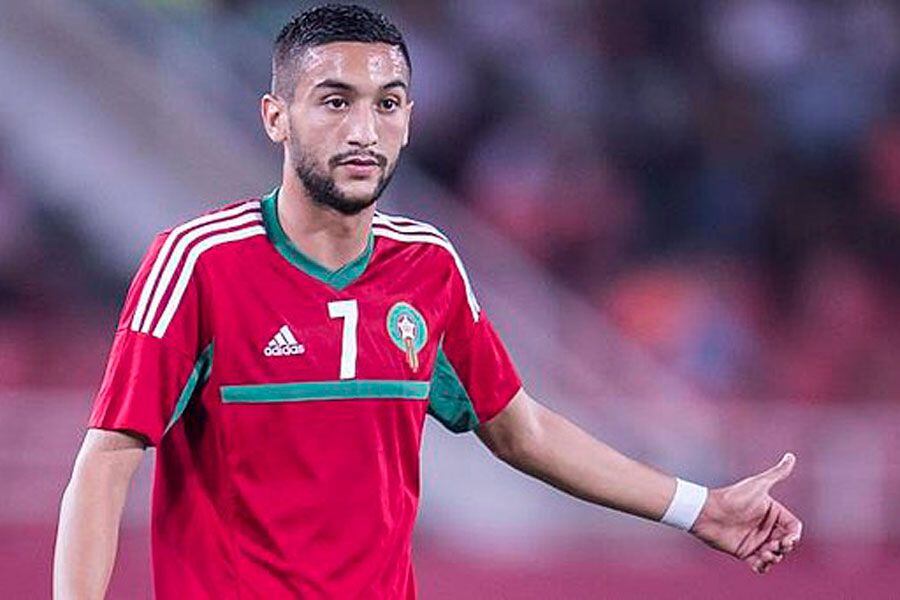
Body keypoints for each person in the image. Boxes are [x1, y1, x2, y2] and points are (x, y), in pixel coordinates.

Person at [53, 4, 802, 599]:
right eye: (335, 101)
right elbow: (106, 461)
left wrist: (698, 507)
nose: (364, 130)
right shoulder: (198, 263)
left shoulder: (429, 265)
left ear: (409, 120)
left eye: (387, 104)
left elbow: (523, 430)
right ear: (276, 116)